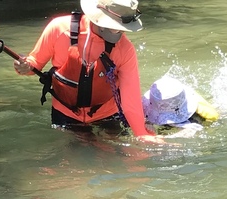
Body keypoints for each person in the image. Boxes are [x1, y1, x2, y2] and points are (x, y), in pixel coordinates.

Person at [12, 0, 163, 143]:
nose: (121, 32)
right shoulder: (58, 29)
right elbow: (35, 64)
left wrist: (142, 134)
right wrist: (25, 66)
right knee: (73, 162)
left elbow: (131, 99)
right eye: (116, 26)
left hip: (108, 114)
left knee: (116, 159)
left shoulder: (125, 49)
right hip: (66, 112)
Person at [142, 75, 219, 135]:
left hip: (184, 109)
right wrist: (148, 122)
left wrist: (170, 137)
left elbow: (193, 130)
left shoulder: (203, 112)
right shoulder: (159, 95)